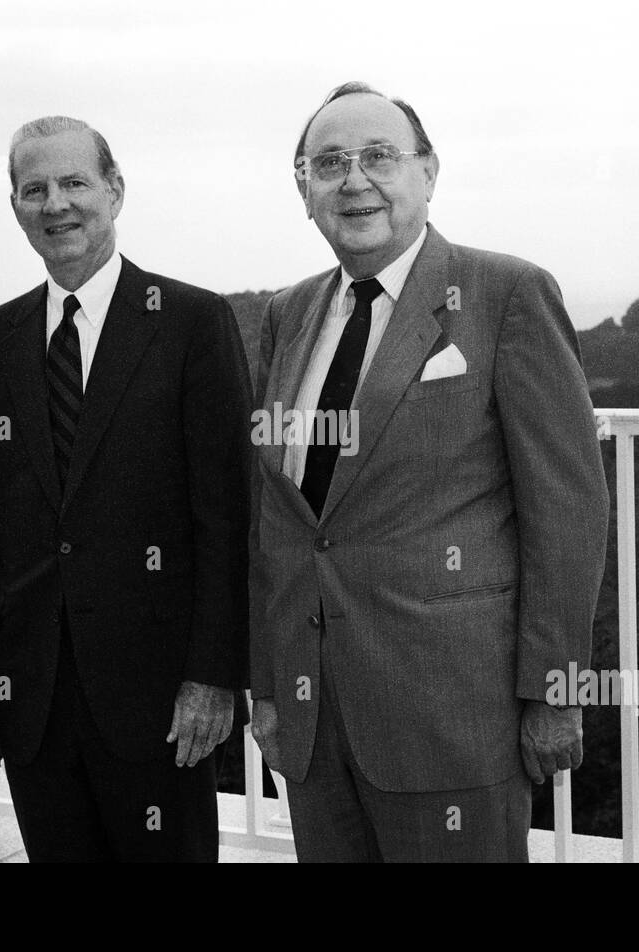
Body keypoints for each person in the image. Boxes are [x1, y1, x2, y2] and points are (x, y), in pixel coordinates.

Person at [248, 83, 609, 862]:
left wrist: (555, 690)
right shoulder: (289, 314)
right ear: (302, 187)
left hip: (452, 715)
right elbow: (281, 519)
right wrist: (271, 686)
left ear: (429, 172)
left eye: (380, 156)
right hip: (314, 719)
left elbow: (568, 509)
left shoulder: (505, 294)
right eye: (329, 162)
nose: (354, 179)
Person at [0, 116, 252, 862]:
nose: (56, 204)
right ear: (15, 206)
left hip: (159, 701)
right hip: (33, 697)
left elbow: (228, 515)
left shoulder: (191, 322)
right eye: (34, 189)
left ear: (114, 191)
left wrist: (213, 675)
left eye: (75, 183)